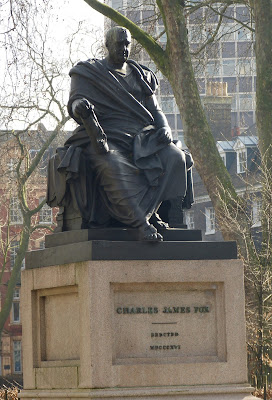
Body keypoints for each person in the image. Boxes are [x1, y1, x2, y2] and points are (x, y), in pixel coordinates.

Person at [47, 26, 193, 241]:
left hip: (142, 138)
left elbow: (155, 110)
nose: (124, 48)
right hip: (105, 137)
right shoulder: (89, 72)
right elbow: (75, 102)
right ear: (107, 45)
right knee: (114, 165)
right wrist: (80, 107)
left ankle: (164, 213)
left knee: (175, 157)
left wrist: (164, 127)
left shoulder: (141, 75)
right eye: (119, 44)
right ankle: (140, 223)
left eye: (127, 44)